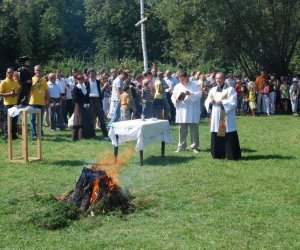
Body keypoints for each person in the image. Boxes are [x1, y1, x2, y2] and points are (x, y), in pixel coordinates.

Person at [205, 72, 241, 160]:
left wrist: (222, 102)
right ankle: (217, 154)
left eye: (220, 78)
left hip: (225, 114)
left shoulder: (229, 89)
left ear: (224, 79)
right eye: (217, 78)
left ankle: (230, 155)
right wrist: (210, 102)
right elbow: (207, 100)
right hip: (216, 114)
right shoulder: (213, 89)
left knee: (227, 133)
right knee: (217, 132)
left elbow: (233, 103)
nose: (218, 80)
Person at [171, 70, 202, 153]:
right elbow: (173, 96)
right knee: (182, 130)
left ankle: (194, 147)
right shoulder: (177, 86)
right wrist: (176, 100)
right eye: (179, 79)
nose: (180, 81)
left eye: (181, 79)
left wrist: (190, 93)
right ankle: (181, 146)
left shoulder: (195, 85)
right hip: (182, 110)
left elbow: (199, 95)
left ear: (186, 77)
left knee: (194, 130)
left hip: (192, 110)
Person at [87, 68, 108, 138]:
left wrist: (104, 88)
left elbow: (99, 91)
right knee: (92, 118)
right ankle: (92, 134)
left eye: (94, 74)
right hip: (91, 100)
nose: (93, 76)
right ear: (89, 75)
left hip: (98, 101)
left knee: (101, 117)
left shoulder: (98, 82)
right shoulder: (86, 82)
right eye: (91, 75)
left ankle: (105, 134)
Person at [72, 74, 94, 140]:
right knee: (79, 120)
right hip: (78, 106)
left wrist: (87, 103)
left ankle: (87, 135)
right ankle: (79, 136)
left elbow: (87, 96)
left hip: (86, 106)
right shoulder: (76, 87)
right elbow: (75, 98)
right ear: (77, 80)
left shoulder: (85, 87)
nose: (81, 80)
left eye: (82, 79)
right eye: (79, 79)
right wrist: (82, 104)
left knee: (86, 119)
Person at [0, 67, 20, 140]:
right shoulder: (3, 82)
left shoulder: (15, 82)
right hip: (7, 104)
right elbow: (1, 93)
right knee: (7, 120)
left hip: (15, 103)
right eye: (9, 72)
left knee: (14, 120)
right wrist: (10, 94)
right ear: (6, 73)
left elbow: (18, 91)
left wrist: (16, 93)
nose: (11, 74)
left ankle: (14, 135)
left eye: (12, 72)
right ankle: (7, 135)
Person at [29, 65, 48, 139]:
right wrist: (35, 82)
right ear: (34, 71)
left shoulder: (44, 80)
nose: (38, 72)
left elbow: (46, 90)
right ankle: (34, 134)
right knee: (32, 119)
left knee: (40, 119)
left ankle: (39, 132)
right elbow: (29, 89)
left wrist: (46, 100)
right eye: (37, 70)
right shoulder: (31, 79)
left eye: (39, 70)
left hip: (42, 102)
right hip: (33, 102)